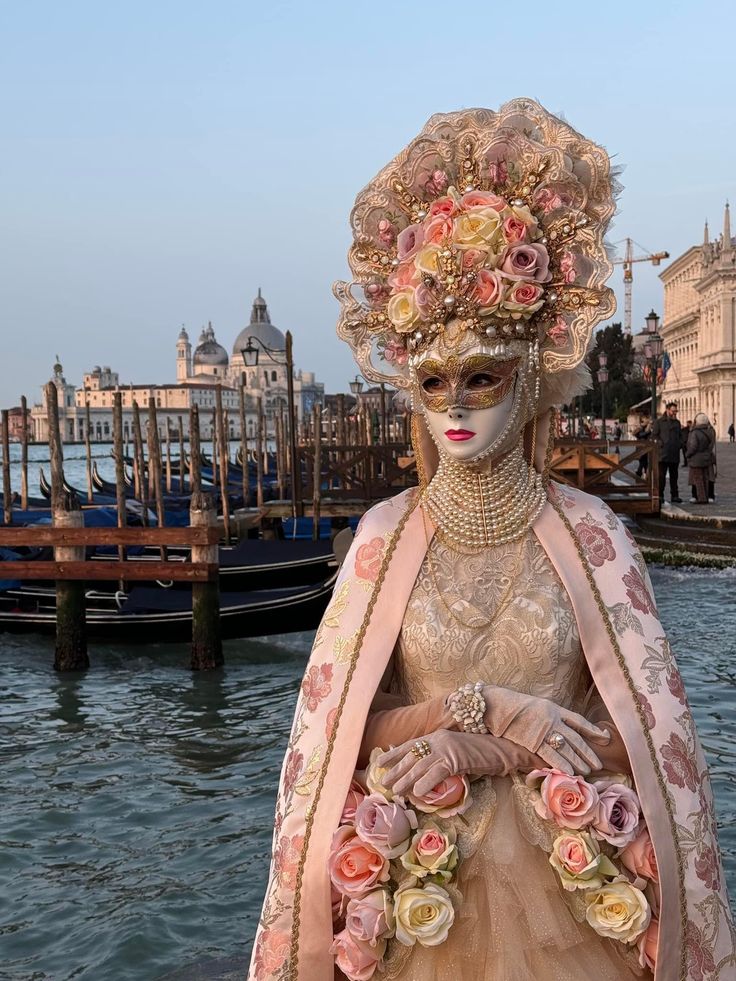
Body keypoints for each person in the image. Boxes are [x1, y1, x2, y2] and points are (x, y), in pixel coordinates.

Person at [248, 100, 734, 981]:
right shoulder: (385, 538)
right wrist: (465, 710)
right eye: (435, 379)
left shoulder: (592, 537)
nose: (459, 403)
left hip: (570, 885)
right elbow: (346, 736)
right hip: (415, 891)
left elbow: (648, 741)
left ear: (533, 374)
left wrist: (503, 744)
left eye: (485, 374)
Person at [651, 402, 683, 503]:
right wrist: (661, 443)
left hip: (674, 453)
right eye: (673, 411)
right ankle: (660, 495)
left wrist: (680, 444)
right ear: (668, 410)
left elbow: (680, 436)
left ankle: (674, 495)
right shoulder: (659, 422)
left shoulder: (677, 423)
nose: (675, 413)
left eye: (676, 411)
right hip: (663, 454)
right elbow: (654, 436)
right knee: (661, 477)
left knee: (674, 476)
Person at [686, 413, 714, 503]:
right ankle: (706, 497)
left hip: (696, 458)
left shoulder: (695, 432)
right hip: (706, 457)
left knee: (698, 479)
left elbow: (693, 446)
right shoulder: (710, 431)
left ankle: (701, 498)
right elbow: (711, 445)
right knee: (706, 478)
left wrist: (688, 454)